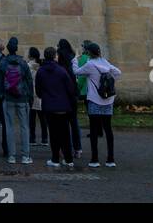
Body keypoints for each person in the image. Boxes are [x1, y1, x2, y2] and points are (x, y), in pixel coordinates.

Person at [73, 41, 121, 169]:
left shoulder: (90, 64)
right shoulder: (106, 63)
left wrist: (74, 60)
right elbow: (118, 73)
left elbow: (76, 72)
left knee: (94, 130)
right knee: (108, 129)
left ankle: (95, 159)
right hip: (108, 101)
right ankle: (111, 159)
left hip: (94, 100)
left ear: (89, 53)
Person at [34, 46, 77, 168]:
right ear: (55, 56)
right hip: (63, 106)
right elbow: (70, 88)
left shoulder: (41, 71)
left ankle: (55, 158)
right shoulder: (61, 70)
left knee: (53, 134)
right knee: (65, 133)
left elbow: (38, 90)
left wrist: (46, 97)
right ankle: (68, 159)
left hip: (49, 106)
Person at [0, 36, 34, 165]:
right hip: (22, 98)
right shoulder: (23, 63)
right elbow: (29, 81)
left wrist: (1, 94)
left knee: (9, 127)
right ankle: (25, 156)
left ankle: (11, 156)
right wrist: (30, 97)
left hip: (8, 98)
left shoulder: (3, 62)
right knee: (25, 127)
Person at [56, 38, 83, 158]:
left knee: (63, 123)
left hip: (63, 94)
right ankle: (78, 148)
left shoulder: (60, 61)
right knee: (74, 122)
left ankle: (65, 148)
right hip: (73, 94)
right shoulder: (73, 58)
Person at [27, 46, 48, 147]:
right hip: (41, 94)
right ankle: (44, 138)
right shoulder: (41, 66)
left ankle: (32, 138)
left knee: (32, 119)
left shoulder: (28, 66)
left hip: (31, 94)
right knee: (43, 119)